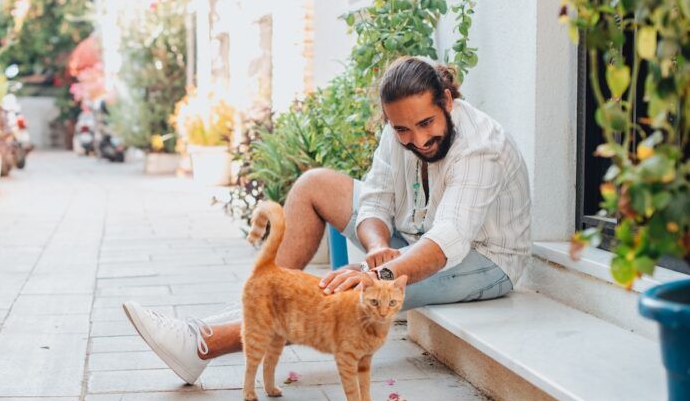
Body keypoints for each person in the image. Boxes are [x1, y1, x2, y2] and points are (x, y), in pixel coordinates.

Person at [123, 56, 532, 384]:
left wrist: (380, 275)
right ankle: (242, 311)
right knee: (313, 185)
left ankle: (201, 343)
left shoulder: (481, 148)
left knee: (352, 289)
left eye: (426, 124)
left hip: (482, 262)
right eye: (403, 129)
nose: (418, 140)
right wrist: (375, 249)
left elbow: (448, 242)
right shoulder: (401, 129)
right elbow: (376, 199)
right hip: (418, 239)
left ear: (446, 99)